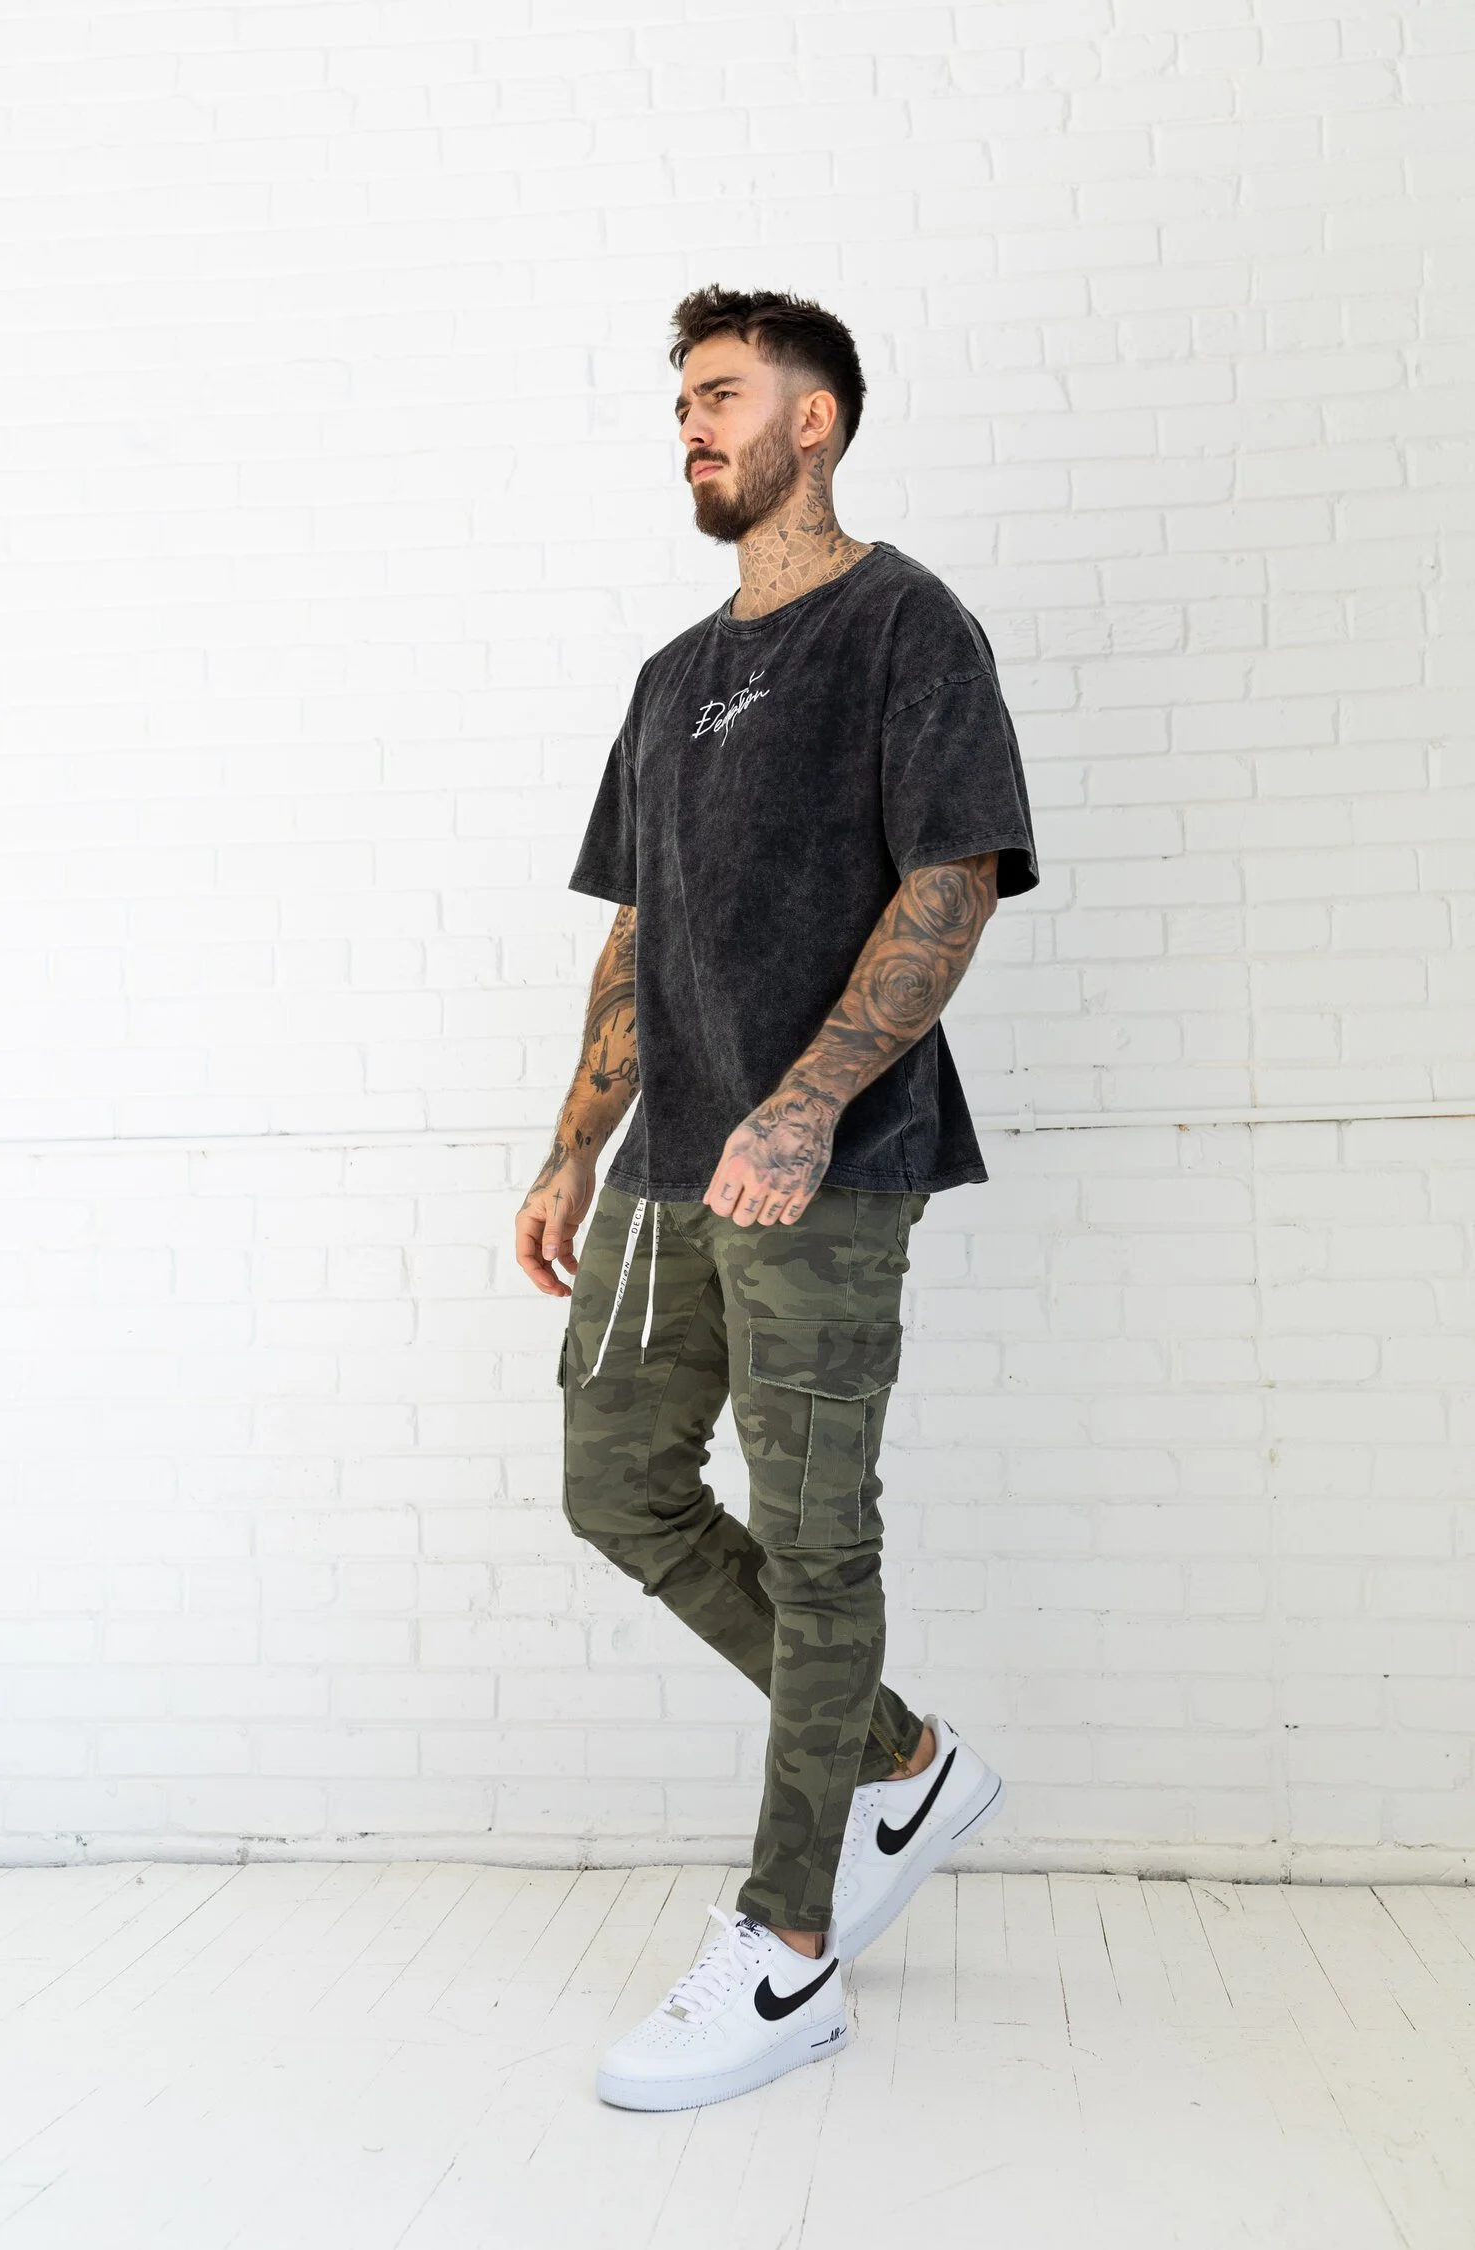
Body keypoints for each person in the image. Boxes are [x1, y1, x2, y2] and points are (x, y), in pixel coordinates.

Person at [515, 285, 1040, 2113]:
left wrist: (813, 1100)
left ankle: (790, 1948)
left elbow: (953, 876)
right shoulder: (670, 677)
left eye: (722, 396)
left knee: (820, 1544)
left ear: (814, 422)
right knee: (616, 1482)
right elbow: (638, 928)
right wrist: (576, 1137)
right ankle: (894, 1753)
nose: (693, 427)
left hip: (827, 1170)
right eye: (681, 402)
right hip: (668, 1174)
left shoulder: (906, 625)